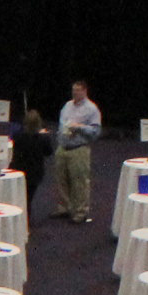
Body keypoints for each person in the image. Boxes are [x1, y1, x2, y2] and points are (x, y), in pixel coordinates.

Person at [55, 79, 103, 223]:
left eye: (78, 90)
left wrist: (79, 127)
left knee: (79, 181)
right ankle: (64, 207)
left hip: (79, 149)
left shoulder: (92, 109)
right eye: (73, 90)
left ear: (84, 91)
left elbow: (96, 131)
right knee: (61, 179)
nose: (75, 93)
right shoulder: (67, 105)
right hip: (63, 147)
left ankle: (80, 212)